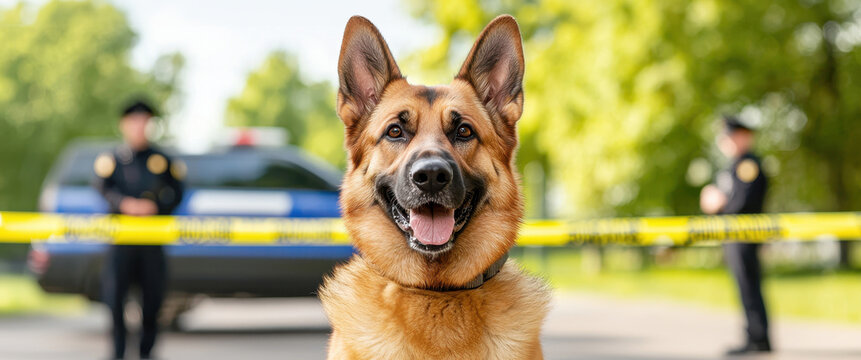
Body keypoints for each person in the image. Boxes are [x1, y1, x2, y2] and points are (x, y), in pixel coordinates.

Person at [94, 100, 185, 360]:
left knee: (153, 300)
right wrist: (124, 204)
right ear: (124, 125)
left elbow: (178, 192)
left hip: (151, 242)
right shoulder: (112, 159)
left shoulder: (162, 159)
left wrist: (155, 206)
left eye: (144, 121)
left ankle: (147, 352)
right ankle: (118, 352)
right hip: (121, 242)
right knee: (115, 300)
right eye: (134, 121)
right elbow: (101, 188)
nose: (139, 127)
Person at [700, 115, 770, 355]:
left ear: (742, 137)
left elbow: (742, 203)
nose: (725, 141)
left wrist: (719, 202)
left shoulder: (747, 165)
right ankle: (756, 335)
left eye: (729, 136)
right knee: (745, 286)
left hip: (743, 235)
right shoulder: (734, 166)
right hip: (734, 236)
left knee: (749, 286)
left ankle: (758, 338)